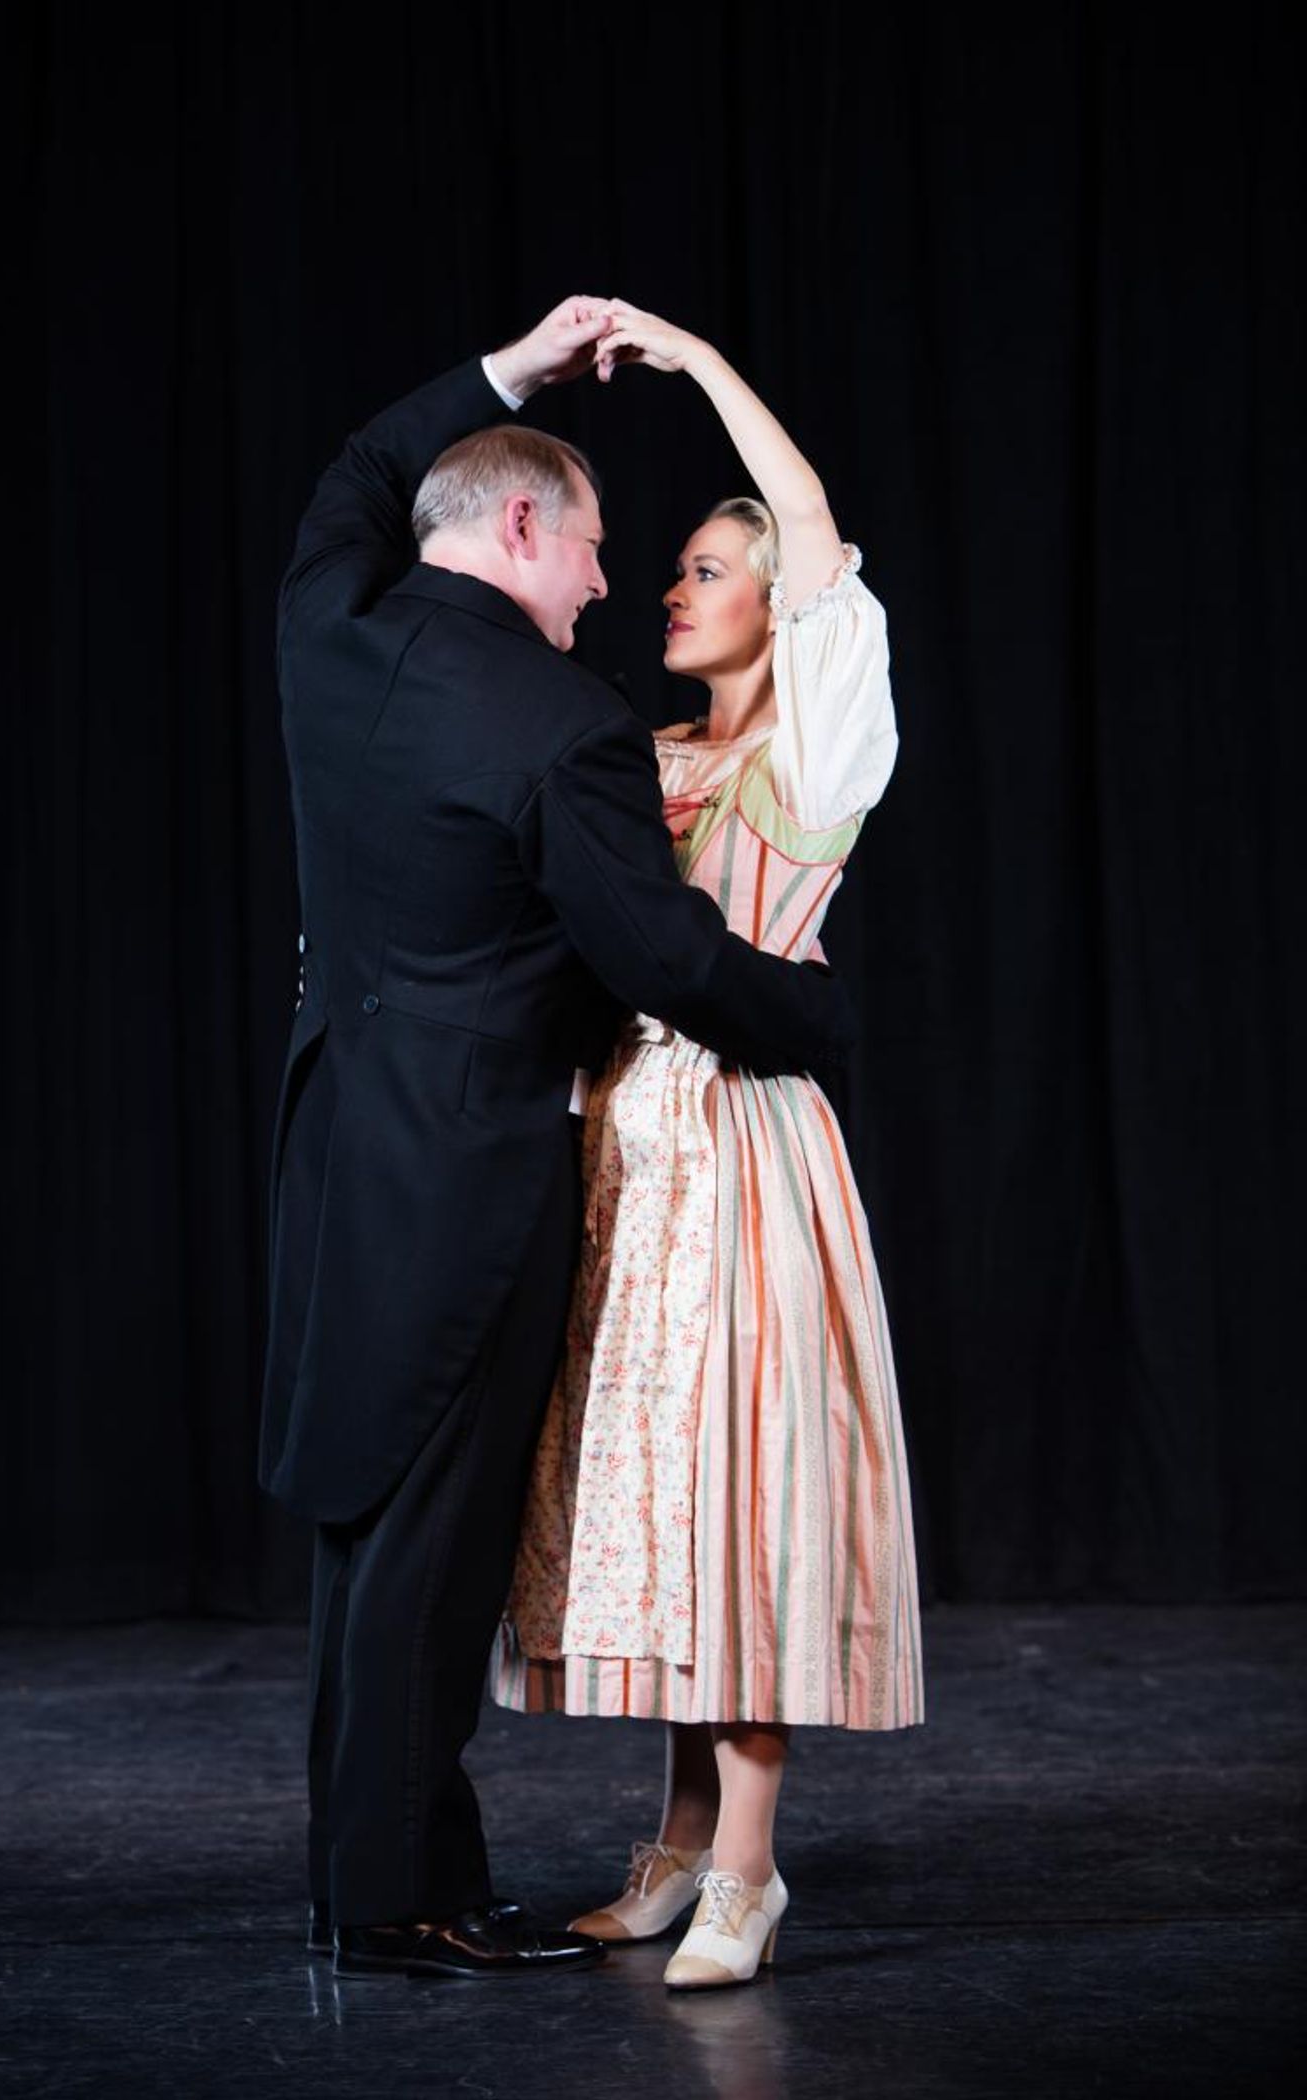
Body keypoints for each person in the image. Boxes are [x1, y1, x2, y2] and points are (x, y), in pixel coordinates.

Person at [258, 296, 865, 1982]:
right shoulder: (560, 726)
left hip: (340, 1160)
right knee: (433, 1553)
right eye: (596, 546)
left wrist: (507, 369)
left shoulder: (330, 625)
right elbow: (659, 957)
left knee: (365, 1538)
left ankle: (370, 1878)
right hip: (473, 1183)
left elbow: (359, 474)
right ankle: (395, 1902)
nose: (610, 584)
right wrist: (826, 1021)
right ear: (521, 524)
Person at [492, 301, 925, 1991]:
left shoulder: (809, 754)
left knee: (747, 1497)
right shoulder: (647, 759)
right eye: (666, 568)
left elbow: (811, 535)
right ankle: (677, 1837)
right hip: (628, 1151)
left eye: (703, 570)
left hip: (740, 1146)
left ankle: (748, 1867)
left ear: (771, 603)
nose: (673, 591)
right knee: (663, 1504)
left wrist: (695, 359)